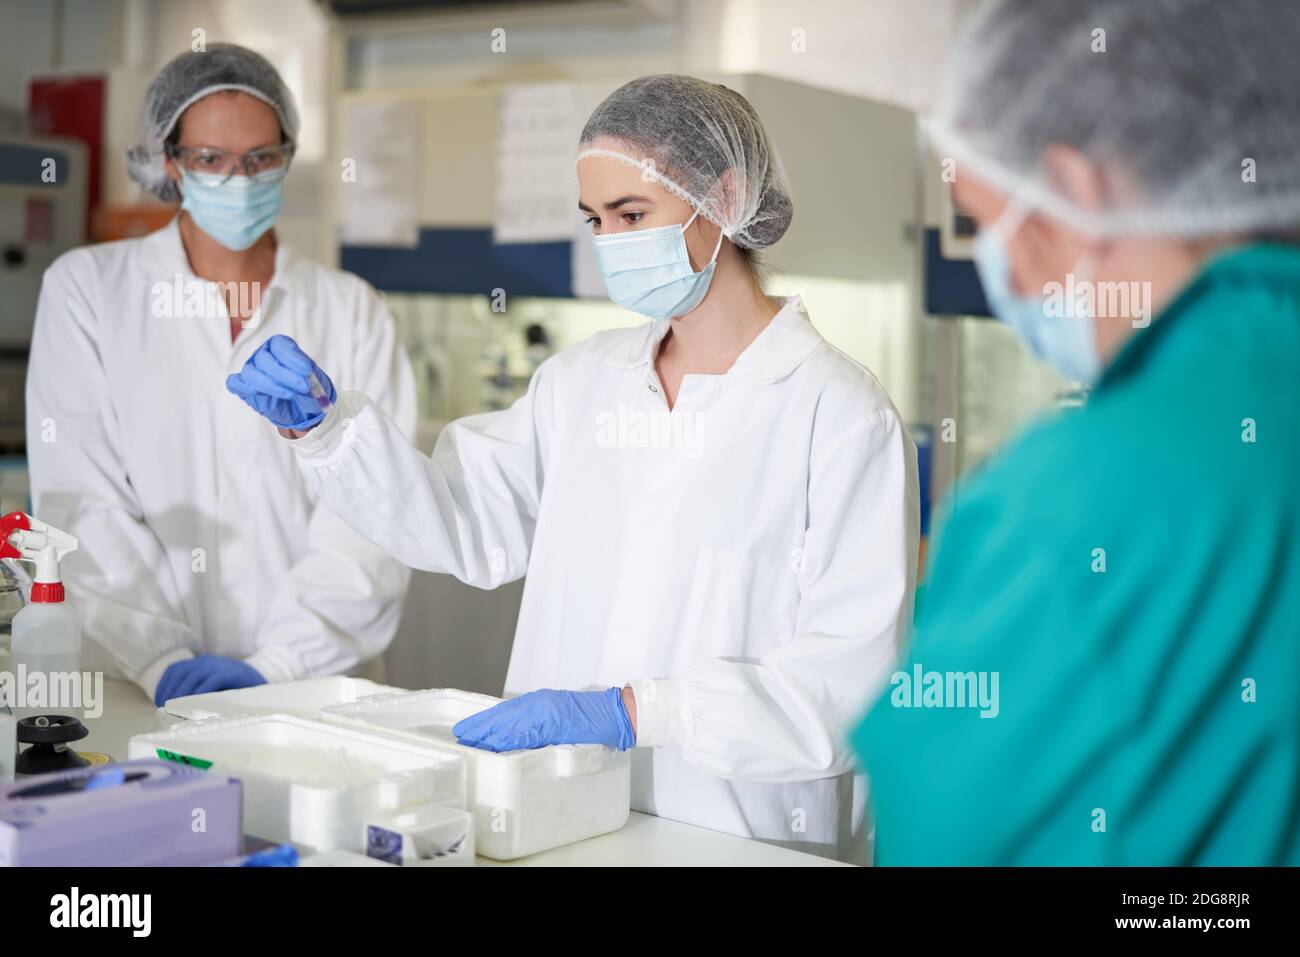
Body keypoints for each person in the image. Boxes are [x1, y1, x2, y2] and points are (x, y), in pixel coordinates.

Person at [228, 75, 918, 861]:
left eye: (633, 214)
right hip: (559, 823)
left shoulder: (837, 413)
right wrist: (330, 433)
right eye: (597, 219)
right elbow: (463, 518)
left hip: (742, 839)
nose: (612, 241)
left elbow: (848, 688)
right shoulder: (583, 382)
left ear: (724, 195)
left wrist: (633, 711)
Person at [852, 0, 1300, 865]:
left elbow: (946, 826)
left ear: (1072, 188)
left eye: (986, 221)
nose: (998, 271)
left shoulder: (1074, 497)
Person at [26, 44, 415, 706]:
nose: (239, 179)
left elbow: (377, 514)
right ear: (169, 161)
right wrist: (160, 659)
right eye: (210, 159)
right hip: (136, 688)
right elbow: (82, 500)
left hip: (313, 693)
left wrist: (280, 665)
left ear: (287, 157)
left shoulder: (350, 310)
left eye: (260, 159)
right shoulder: (90, 291)